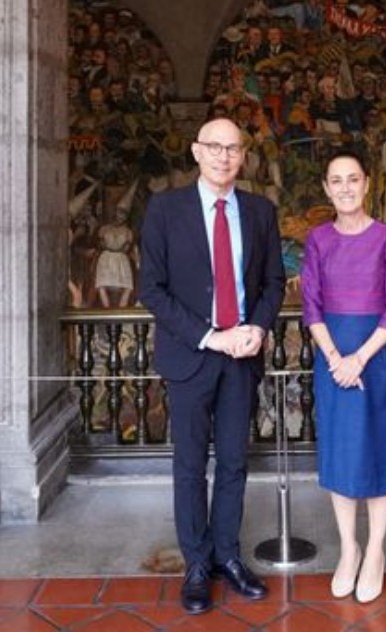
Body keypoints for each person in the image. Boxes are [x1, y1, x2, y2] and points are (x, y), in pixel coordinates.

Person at [139, 118, 286, 615]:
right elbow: (151, 290)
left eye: (233, 149)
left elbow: (273, 284)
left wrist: (258, 329)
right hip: (192, 357)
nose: (224, 157)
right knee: (188, 466)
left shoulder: (261, 211)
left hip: (242, 357)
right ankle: (196, 566)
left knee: (234, 462)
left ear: (243, 156)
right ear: (197, 152)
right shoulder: (165, 209)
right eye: (215, 148)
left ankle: (229, 555)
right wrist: (210, 336)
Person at [300, 150, 386, 603]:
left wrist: (358, 359)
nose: (345, 187)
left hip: (376, 355)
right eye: (336, 180)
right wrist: (335, 359)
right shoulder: (318, 240)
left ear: (368, 184)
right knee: (342, 453)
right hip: (332, 357)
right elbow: (311, 307)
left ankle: (377, 550)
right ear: (326, 188)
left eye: (353, 179)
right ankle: (349, 548)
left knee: (380, 451)